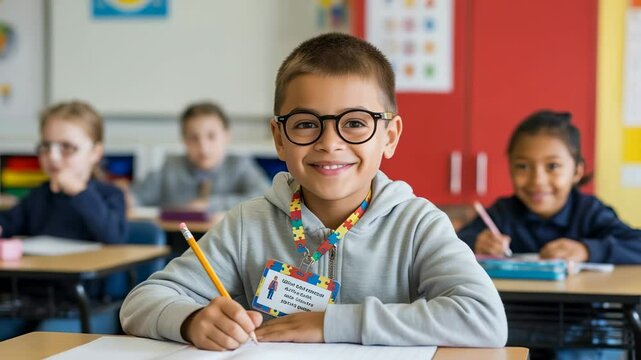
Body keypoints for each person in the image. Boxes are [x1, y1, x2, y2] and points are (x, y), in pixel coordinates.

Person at [120, 32, 507, 351]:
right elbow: (141, 303)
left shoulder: (417, 225)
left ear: (390, 137)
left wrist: (332, 323)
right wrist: (191, 321)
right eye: (306, 124)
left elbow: (484, 320)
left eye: (355, 123)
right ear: (279, 138)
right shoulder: (247, 224)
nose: (329, 142)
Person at [458, 110, 641, 264]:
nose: (537, 180)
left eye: (552, 166)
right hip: (514, 307)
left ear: (577, 171)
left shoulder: (589, 213)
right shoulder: (503, 213)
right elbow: (454, 244)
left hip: (578, 307)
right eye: (523, 166)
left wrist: (587, 250)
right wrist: (477, 243)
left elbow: (636, 244)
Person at [0, 100, 127, 244]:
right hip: (45, 266)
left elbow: (114, 238)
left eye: (67, 147)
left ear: (95, 153)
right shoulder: (39, 195)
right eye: (46, 146)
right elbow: (7, 223)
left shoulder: (110, 195)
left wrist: (80, 193)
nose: (53, 156)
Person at [129, 101, 270, 213]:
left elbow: (264, 197)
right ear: (184, 140)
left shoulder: (240, 166)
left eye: (211, 136)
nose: (203, 146)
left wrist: (210, 205)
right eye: (194, 138)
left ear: (226, 136)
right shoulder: (170, 167)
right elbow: (137, 197)